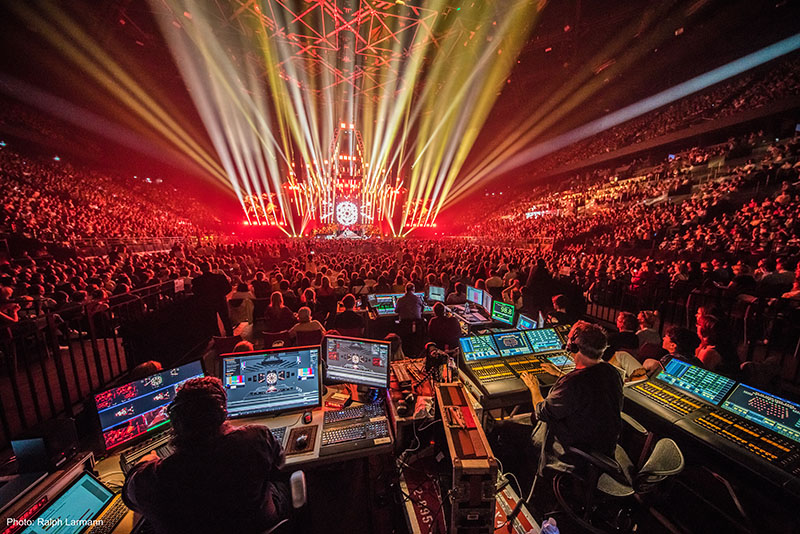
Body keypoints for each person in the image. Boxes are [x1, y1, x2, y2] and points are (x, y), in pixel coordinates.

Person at [122, 377, 288, 534]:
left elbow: (129, 496)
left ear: (176, 421)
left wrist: (147, 462)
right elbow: (279, 463)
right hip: (260, 526)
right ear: (222, 413)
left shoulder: (156, 477)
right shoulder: (256, 437)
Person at [519, 321, 623, 462]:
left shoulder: (572, 383)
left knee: (504, 427)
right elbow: (588, 388)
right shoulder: (612, 372)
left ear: (572, 346)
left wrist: (534, 388)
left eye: (568, 338)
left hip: (572, 448)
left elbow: (541, 412)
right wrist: (559, 374)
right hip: (605, 447)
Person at [192, 261, 233, 336]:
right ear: (210, 268)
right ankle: (230, 336)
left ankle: (217, 338)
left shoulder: (197, 281)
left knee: (213, 322)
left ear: (201, 270)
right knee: (226, 319)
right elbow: (229, 288)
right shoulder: (219, 277)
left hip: (207, 303)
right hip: (220, 300)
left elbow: (195, 292)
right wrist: (221, 295)